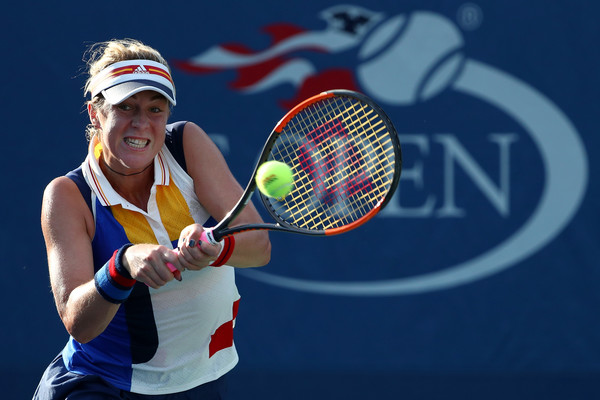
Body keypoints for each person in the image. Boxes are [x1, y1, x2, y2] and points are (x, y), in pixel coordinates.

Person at [33, 38, 271, 399]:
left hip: (199, 381)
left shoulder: (186, 144)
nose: (141, 123)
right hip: (101, 384)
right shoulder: (68, 195)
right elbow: (78, 323)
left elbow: (259, 247)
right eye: (125, 107)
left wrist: (215, 248)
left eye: (155, 109)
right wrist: (123, 265)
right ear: (95, 114)